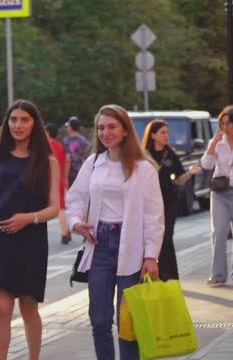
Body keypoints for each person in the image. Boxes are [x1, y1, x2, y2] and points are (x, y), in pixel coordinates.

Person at [66, 104, 164, 360]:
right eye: (101, 127)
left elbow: (155, 216)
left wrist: (151, 255)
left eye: (111, 127)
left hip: (130, 245)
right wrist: (76, 222)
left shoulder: (144, 169)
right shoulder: (94, 162)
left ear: (124, 130)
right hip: (98, 243)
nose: (105, 132)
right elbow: (74, 197)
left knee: (127, 323)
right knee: (99, 320)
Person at [0, 100, 60, 360]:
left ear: (35, 123)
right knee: (1, 307)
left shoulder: (47, 162)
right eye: (13, 119)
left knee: (28, 307)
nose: (18, 125)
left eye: (24, 120)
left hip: (30, 241)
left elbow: (54, 208)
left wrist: (27, 218)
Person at [142, 119, 201, 280]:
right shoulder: (144, 155)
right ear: (153, 135)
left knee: (166, 236)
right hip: (149, 203)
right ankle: (154, 274)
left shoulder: (170, 153)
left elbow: (179, 179)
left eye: (167, 132)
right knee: (152, 238)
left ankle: (170, 276)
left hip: (168, 201)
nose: (166, 135)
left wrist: (190, 173)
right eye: (162, 132)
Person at [201, 105, 233, 286]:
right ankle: (218, 275)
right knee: (219, 231)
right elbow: (206, 164)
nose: (224, 127)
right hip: (220, 193)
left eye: (227, 123)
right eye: (221, 123)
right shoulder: (218, 143)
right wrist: (213, 143)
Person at [45, 123, 71, 244]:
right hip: (60, 178)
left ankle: (65, 232)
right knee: (62, 206)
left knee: (59, 208)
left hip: (53, 180)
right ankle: (67, 229)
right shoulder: (59, 146)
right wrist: (65, 177)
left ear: (48, 133)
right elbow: (66, 160)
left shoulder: (48, 147)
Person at [63, 116, 90, 188]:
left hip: (71, 174)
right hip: (82, 172)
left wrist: (65, 177)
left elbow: (67, 159)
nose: (67, 128)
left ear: (71, 127)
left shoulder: (67, 141)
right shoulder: (84, 141)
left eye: (68, 126)